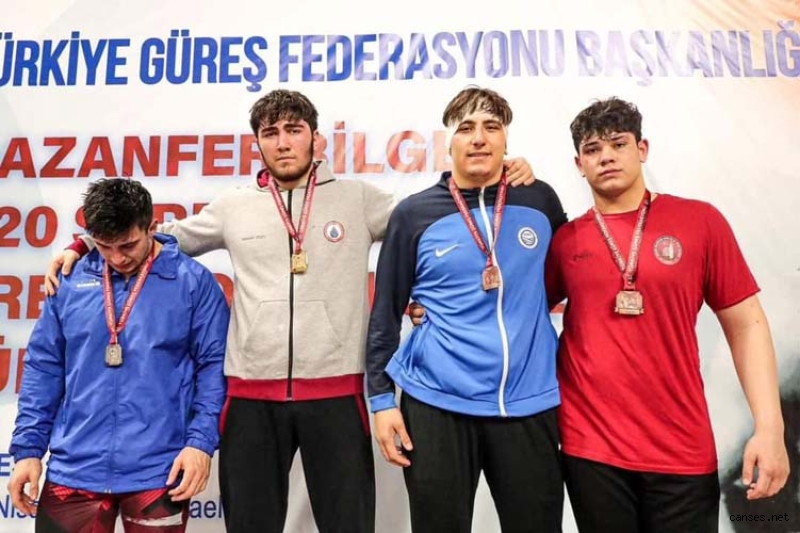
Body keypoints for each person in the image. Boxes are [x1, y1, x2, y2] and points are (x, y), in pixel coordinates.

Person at [44, 89, 537, 533]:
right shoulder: (234, 206)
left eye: (294, 130)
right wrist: (83, 244)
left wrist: (508, 177)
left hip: (338, 393)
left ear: (315, 139)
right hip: (251, 399)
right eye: (270, 133)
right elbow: (157, 238)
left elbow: (435, 216)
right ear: (257, 144)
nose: (283, 142)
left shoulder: (358, 198)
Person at [544, 97, 790, 532]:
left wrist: (770, 428)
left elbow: (747, 325)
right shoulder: (565, 240)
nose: (606, 157)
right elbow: (512, 314)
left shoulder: (699, 222)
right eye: (593, 149)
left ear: (642, 149)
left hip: (681, 446)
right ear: (579, 165)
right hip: (591, 448)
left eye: (618, 144)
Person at [366, 86, 567, 533]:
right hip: (437, 404)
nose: (479, 138)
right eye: (466, 128)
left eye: (491, 127)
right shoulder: (414, 214)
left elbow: (566, 280)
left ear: (506, 140)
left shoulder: (539, 201)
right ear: (448, 141)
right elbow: (385, 313)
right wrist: (380, 400)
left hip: (527, 403)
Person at [8, 178, 229, 533]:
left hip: (158, 471)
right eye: (104, 246)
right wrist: (28, 450)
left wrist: (200, 444)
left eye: (128, 245)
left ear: (152, 228)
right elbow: (43, 368)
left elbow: (214, 369)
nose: (116, 258)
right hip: (74, 469)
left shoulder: (192, 282)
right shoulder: (69, 279)